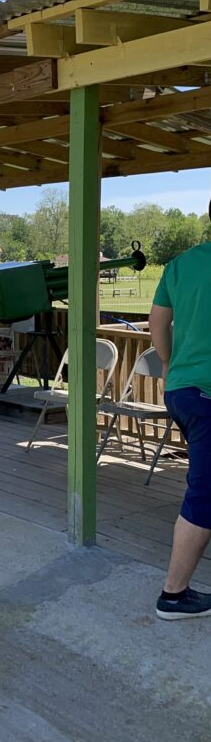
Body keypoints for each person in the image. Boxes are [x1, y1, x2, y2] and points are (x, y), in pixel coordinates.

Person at [150, 218, 211, 620]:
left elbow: (158, 322)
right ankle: (173, 595)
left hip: (182, 392)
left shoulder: (180, 264)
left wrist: (171, 364)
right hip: (208, 398)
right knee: (205, 494)